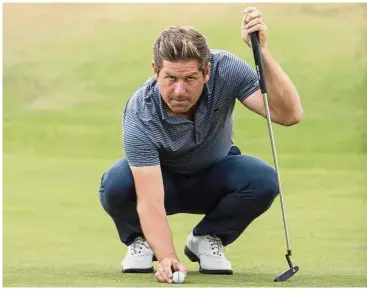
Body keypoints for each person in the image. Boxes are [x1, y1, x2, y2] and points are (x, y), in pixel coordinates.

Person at [99, 6, 303, 284]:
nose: (180, 91)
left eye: (190, 79)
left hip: (215, 173)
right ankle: (142, 241)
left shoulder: (227, 70)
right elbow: (149, 201)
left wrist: (262, 53)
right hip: (163, 181)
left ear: (207, 71)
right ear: (155, 71)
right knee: (116, 182)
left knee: (263, 179)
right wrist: (168, 256)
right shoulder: (140, 111)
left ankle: (207, 236)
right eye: (170, 78)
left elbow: (289, 114)